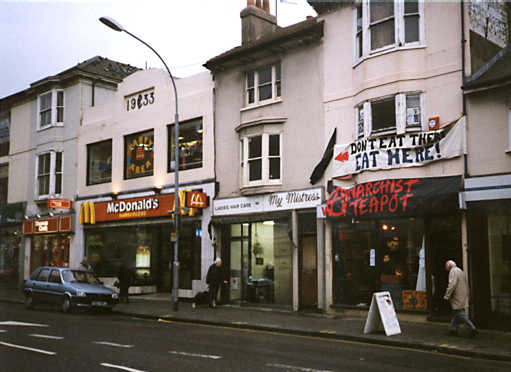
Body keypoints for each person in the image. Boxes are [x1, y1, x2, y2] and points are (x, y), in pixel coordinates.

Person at [443, 260, 478, 337]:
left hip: (457, 294)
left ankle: (472, 328)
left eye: (446, 266)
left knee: (459, 312)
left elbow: (452, 284)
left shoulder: (453, 271)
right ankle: (453, 329)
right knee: (456, 313)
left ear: (449, 266)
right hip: (463, 293)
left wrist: (447, 295)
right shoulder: (459, 270)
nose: (445, 268)